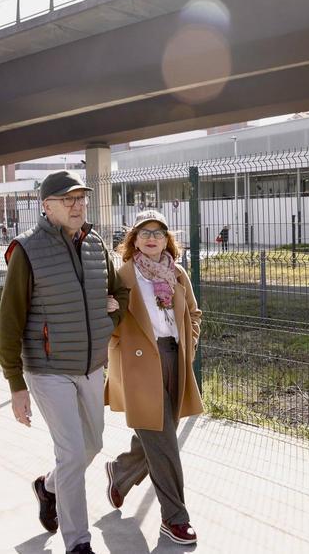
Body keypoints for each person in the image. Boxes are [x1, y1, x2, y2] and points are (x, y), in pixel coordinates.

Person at [0, 170, 128, 554]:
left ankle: (48, 487)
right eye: (68, 200)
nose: (77, 205)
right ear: (47, 206)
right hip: (48, 369)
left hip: (90, 366)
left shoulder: (95, 244)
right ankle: (78, 541)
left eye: (81, 199)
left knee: (91, 446)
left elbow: (119, 291)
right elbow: (9, 322)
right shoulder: (27, 250)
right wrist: (15, 385)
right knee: (71, 453)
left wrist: (109, 321)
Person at [104, 210, 202, 546]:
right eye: (144, 232)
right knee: (165, 444)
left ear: (166, 239)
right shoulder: (123, 275)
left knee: (159, 437)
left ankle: (120, 472)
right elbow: (109, 319)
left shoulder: (177, 274)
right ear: (134, 239)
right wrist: (120, 346)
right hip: (139, 364)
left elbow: (193, 312)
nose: (151, 238)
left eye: (158, 232)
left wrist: (191, 341)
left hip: (174, 359)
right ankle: (175, 518)